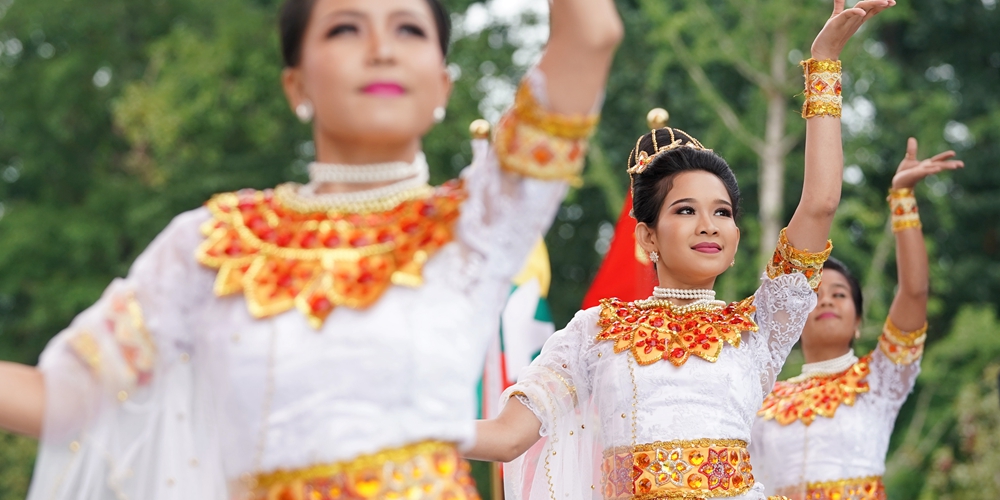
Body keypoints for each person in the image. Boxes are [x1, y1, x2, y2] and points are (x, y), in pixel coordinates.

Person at [0, 0, 623, 498]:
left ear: (441, 85)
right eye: (346, 29)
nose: (380, 49)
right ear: (296, 83)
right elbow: (65, 397)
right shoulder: (214, 243)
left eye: (407, 29)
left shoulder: (477, 223)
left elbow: (590, 34)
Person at [464, 1, 895, 498]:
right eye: (685, 210)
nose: (708, 225)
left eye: (723, 212)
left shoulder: (759, 329)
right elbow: (506, 437)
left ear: (735, 240)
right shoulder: (594, 332)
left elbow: (820, 203)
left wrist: (825, 61)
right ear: (648, 237)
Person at [750, 139, 963, 499]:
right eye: (815, 295)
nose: (828, 299)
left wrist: (902, 200)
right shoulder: (760, 399)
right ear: (795, 317)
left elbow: (914, 292)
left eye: (841, 293)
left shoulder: (879, 381)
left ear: (859, 321)